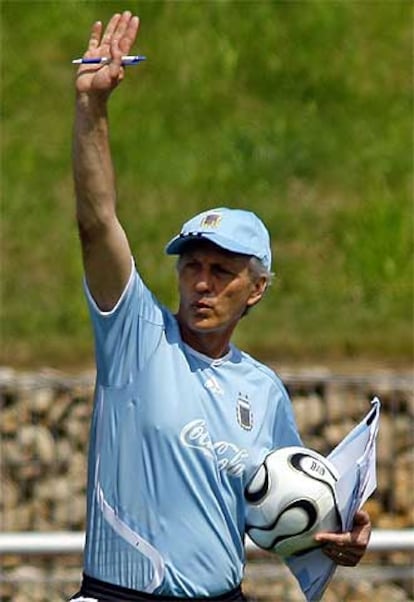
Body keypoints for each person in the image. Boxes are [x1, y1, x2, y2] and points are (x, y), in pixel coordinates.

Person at [71, 11, 372, 602]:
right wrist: (91, 109)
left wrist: (341, 533)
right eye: (191, 266)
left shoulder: (262, 392)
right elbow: (95, 221)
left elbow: (287, 514)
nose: (201, 283)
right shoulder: (135, 334)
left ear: (256, 288)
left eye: (221, 271)